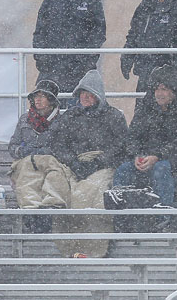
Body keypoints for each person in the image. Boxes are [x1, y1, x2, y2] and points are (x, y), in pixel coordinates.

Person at [49, 69, 128, 257]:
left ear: (97, 95)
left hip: (103, 166)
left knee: (91, 197)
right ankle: (71, 248)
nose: (84, 97)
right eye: (81, 93)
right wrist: (73, 162)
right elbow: (56, 143)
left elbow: (122, 146)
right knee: (64, 193)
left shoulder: (114, 116)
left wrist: (98, 162)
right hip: (73, 164)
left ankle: (93, 249)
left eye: (88, 93)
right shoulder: (69, 117)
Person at [113, 65, 177, 210]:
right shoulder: (145, 109)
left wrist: (157, 156)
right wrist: (137, 155)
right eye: (156, 89)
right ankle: (122, 216)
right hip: (147, 163)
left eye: (164, 89)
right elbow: (132, 137)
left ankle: (161, 217)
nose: (159, 93)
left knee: (161, 169)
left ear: (174, 91)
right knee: (124, 169)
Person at [32, 0, 106, 95]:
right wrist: (41, 57)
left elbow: (99, 31)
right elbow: (40, 28)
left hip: (79, 68)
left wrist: (86, 60)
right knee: (48, 107)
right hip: (51, 65)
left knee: (78, 109)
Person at [8, 79, 70, 232]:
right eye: (36, 96)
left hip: (51, 161)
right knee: (26, 176)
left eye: (43, 96)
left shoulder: (62, 121)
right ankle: (31, 212)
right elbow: (12, 146)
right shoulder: (24, 119)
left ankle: (49, 209)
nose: (38, 99)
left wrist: (47, 151)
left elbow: (64, 148)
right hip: (27, 161)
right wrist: (22, 151)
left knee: (54, 174)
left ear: (51, 100)